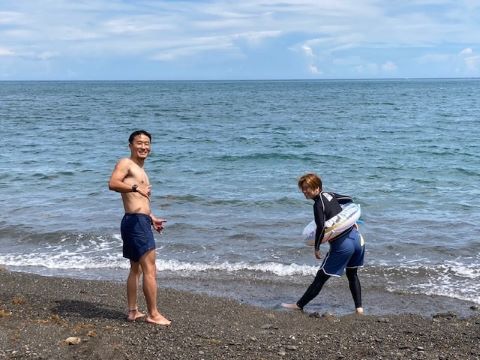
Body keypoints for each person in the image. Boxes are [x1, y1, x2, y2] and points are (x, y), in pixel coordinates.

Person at [108, 130, 171, 326]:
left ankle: (133, 311)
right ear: (130, 145)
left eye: (147, 143)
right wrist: (136, 187)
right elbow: (112, 183)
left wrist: (151, 217)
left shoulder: (141, 169)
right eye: (139, 143)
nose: (144, 146)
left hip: (136, 220)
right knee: (150, 268)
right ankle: (153, 314)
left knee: (135, 269)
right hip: (135, 223)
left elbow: (138, 202)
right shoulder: (126, 163)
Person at [282, 173, 365, 314]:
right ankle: (359, 309)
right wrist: (351, 221)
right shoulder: (329, 195)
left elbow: (321, 227)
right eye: (302, 188)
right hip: (357, 239)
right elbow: (348, 199)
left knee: (320, 277)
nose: (304, 191)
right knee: (352, 275)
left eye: (307, 188)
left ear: (316, 188)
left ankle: (299, 305)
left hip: (343, 245)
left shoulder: (318, 204)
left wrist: (317, 248)